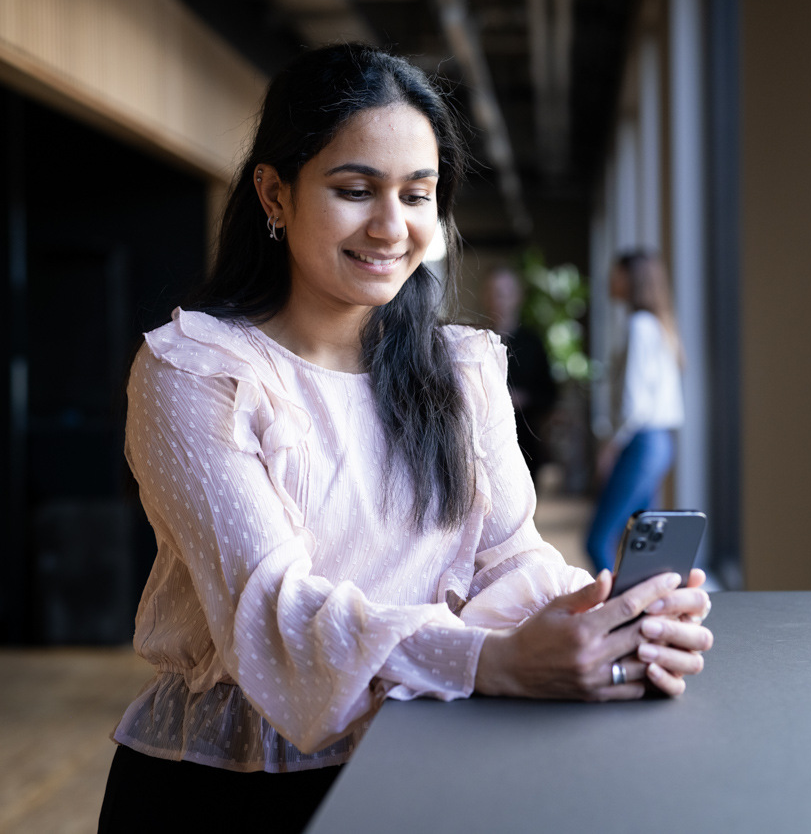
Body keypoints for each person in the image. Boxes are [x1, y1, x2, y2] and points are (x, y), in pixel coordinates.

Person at [98, 44, 712, 833]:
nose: (392, 227)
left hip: (428, 754)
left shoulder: (461, 367)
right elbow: (273, 612)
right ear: (274, 194)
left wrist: (602, 619)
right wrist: (487, 659)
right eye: (355, 190)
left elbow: (510, 554)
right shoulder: (197, 369)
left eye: (418, 196)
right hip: (235, 789)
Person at [585, 251, 686, 572]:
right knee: (644, 547)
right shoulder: (658, 325)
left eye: (616, 274)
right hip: (659, 444)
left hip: (640, 443)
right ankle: (647, 614)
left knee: (598, 541)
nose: (610, 281)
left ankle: (616, 615)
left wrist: (610, 447)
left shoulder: (640, 326)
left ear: (632, 279)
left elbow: (634, 402)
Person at [480, 265, 557, 480]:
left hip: (524, 441)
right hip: (483, 444)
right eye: (494, 293)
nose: (499, 300)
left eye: (505, 294)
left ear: (518, 297)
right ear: (485, 296)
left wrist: (524, 399)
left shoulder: (533, 342)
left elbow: (549, 393)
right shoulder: (476, 339)